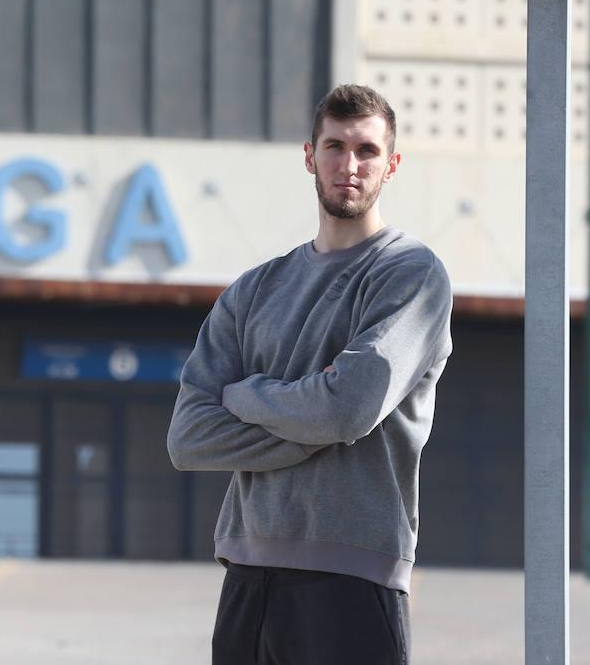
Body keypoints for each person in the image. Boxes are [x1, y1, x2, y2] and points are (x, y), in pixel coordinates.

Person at [167, 84, 453, 665]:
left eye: (367, 150)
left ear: (392, 164)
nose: (350, 165)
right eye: (335, 146)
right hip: (247, 572)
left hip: (354, 575)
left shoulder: (409, 274)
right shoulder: (253, 290)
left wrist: (245, 394)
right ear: (309, 156)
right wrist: (314, 421)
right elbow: (188, 437)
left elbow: (347, 409)